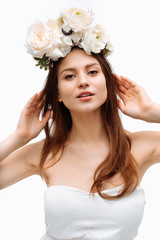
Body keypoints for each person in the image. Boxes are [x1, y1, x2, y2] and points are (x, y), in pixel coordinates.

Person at [1, 7, 160, 240]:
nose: (83, 82)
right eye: (69, 76)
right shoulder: (44, 153)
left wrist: (153, 112)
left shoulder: (142, 146)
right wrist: (18, 136)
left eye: (92, 72)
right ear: (56, 93)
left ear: (108, 82)